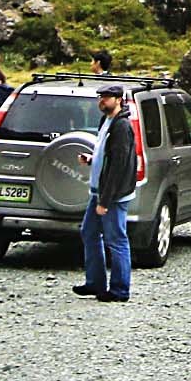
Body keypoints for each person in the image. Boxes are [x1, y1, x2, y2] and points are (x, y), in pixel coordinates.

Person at [74, 82, 135, 303]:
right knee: (89, 232)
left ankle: (120, 289)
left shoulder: (121, 127)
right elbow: (106, 155)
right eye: (100, 97)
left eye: (106, 97)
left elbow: (119, 166)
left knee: (116, 239)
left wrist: (106, 200)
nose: (102, 100)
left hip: (113, 194)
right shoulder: (106, 121)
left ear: (118, 99)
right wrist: (91, 159)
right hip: (99, 190)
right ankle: (95, 282)